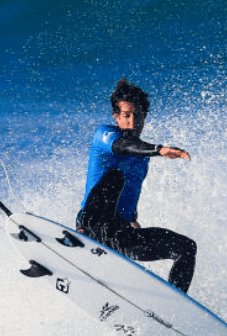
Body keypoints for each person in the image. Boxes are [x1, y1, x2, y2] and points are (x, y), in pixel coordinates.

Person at [76, 78, 198, 293]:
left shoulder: (143, 158)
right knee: (116, 177)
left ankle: (175, 303)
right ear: (116, 117)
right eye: (126, 116)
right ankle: (83, 232)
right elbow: (124, 146)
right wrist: (159, 150)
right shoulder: (104, 135)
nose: (132, 122)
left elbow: (131, 193)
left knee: (186, 248)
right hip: (95, 222)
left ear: (145, 117)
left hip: (119, 234)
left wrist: (132, 221)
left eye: (138, 116)